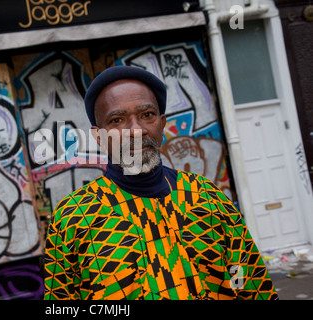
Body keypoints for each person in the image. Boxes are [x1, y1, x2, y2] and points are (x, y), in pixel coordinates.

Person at [43, 65, 278, 300]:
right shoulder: (74, 218)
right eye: (117, 120)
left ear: (162, 123)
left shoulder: (208, 198)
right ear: (99, 136)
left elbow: (249, 284)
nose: (136, 130)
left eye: (147, 115)